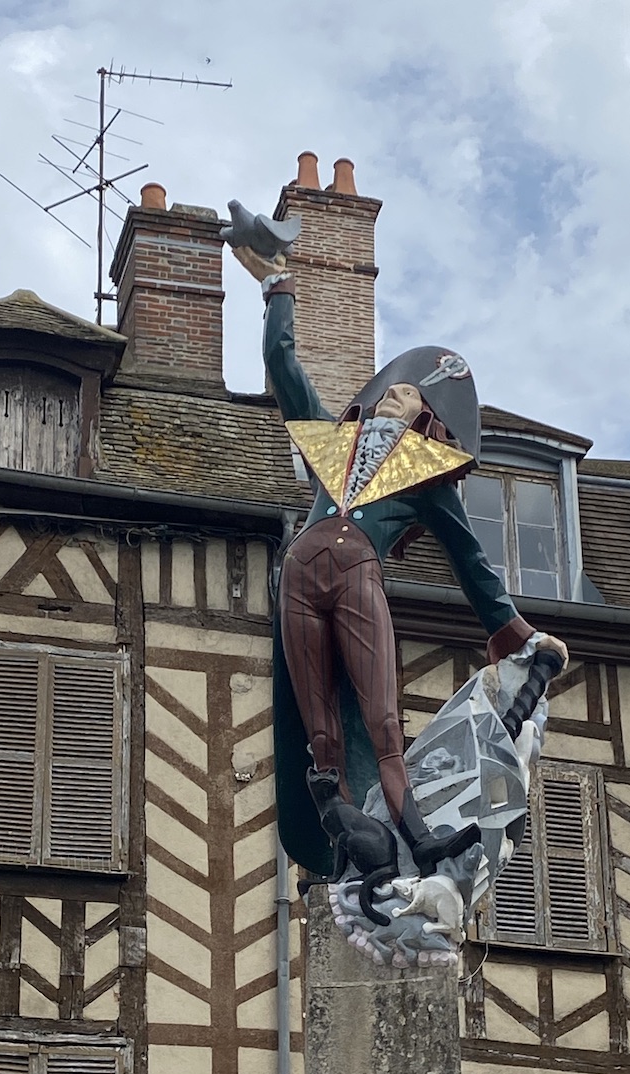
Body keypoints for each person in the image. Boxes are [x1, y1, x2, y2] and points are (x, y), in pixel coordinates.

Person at [232, 243, 567, 882]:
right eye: (390, 391)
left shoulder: (427, 480)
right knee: (317, 722)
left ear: (426, 417)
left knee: (381, 711)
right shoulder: (334, 441)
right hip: (300, 574)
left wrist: (517, 635)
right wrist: (278, 285)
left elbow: (470, 560)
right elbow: (283, 363)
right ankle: (339, 820)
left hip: (358, 572)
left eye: (408, 395)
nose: (393, 397)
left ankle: (413, 831)